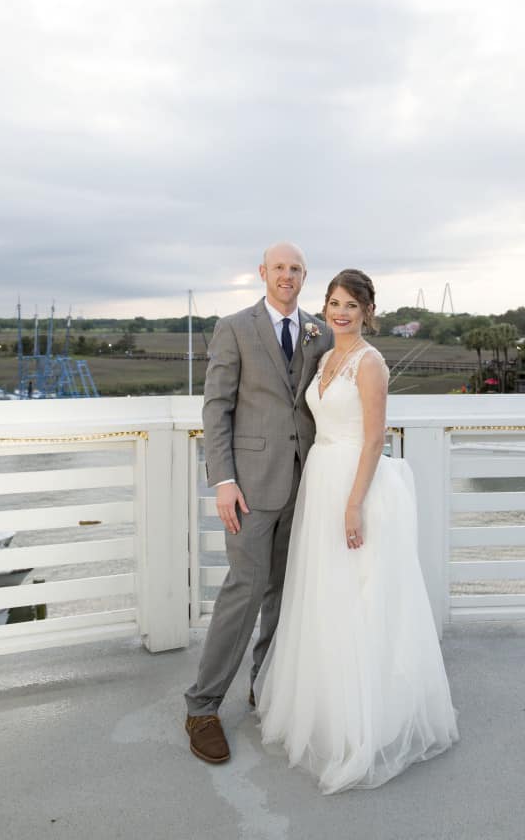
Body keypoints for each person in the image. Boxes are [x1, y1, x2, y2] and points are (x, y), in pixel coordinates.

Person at [255, 269, 459, 793]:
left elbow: (374, 441)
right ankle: (325, 709)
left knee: (358, 601)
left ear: (368, 311)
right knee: (323, 597)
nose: (340, 312)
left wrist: (354, 505)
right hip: (320, 482)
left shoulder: (370, 364)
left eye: (351, 305)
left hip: (353, 487)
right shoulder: (325, 357)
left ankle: (364, 723)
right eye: (334, 303)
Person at [184, 242, 332, 764]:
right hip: (248, 485)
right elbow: (216, 407)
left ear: (304, 276)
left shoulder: (322, 330)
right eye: (279, 268)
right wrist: (223, 479)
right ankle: (202, 706)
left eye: (296, 269)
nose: (287, 276)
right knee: (244, 590)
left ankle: (265, 686)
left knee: (285, 591)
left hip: (308, 483)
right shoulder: (235, 327)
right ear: (262, 273)